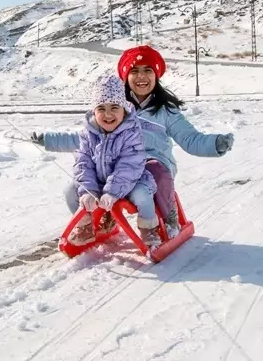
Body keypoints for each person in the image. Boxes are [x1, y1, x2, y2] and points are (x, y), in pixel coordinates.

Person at [35, 46, 233, 239]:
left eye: (148, 70)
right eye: (135, 71)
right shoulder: (115, 109)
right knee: (81, 182)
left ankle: (168, 214)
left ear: (156, 76)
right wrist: (48, 140)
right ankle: (101, 217)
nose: (141, 77)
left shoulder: (166, 112)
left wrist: (215, 144)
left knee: (157, 170)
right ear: (125, 76)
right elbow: (84, 138)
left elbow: (191, 139)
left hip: (152, 164)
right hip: (116, 166)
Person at [66, 74, 160, 248]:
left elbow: (129, 165)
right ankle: (86, 226)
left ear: (124, 109)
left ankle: (149, 230)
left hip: (132, 181)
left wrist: (113, 192)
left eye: (114, 107)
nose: (107, 114)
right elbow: (82, 163)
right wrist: (88, 190)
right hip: (99, 183)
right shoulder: (87, 134)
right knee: (70, 191)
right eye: (101, 108)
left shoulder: (131, 133)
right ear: (94, 111)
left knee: (143, 194)